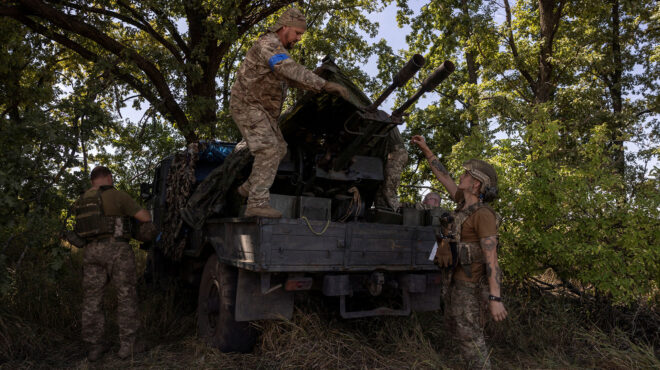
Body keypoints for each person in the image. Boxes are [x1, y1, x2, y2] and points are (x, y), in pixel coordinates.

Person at [230, 7, 350, 218]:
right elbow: (289, 69)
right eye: (297, 33)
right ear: (284, 27)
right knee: (268, 149)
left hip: (261, 111)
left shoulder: (279, 51)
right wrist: (325, 85)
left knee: (280, 149)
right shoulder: (268, 45)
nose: (298, 39)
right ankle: (256, 203)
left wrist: (319, 84)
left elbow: (293, 78)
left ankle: (248, 188)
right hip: (247, 105)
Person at [411, 135, 507, 369]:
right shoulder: (462, 203)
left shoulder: (483, 215)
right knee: (458, 334)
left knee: (470, 339)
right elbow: (443, 175)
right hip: (454, 282)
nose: (460, 176)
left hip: (470, 286)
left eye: (466, 174)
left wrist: (495, 298)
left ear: (476, 184)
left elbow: (491, 259)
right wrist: (426, 150)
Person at [73, 166, 152, 361]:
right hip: (117, 250)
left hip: (91, 252)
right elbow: (145, 217)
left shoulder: (81, 200)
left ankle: (94, 348)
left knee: (92, 300)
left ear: (92, 180)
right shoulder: (117, 195)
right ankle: (128, 347)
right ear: (109, 177)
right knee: (126, 296)